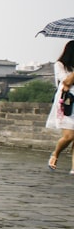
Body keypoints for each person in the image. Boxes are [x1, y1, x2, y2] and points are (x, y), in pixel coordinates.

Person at [47, 40, 74, 172]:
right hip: (67, 103)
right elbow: (67, 81)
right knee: (69, 135)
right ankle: (55, 154)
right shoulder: (60, 65)